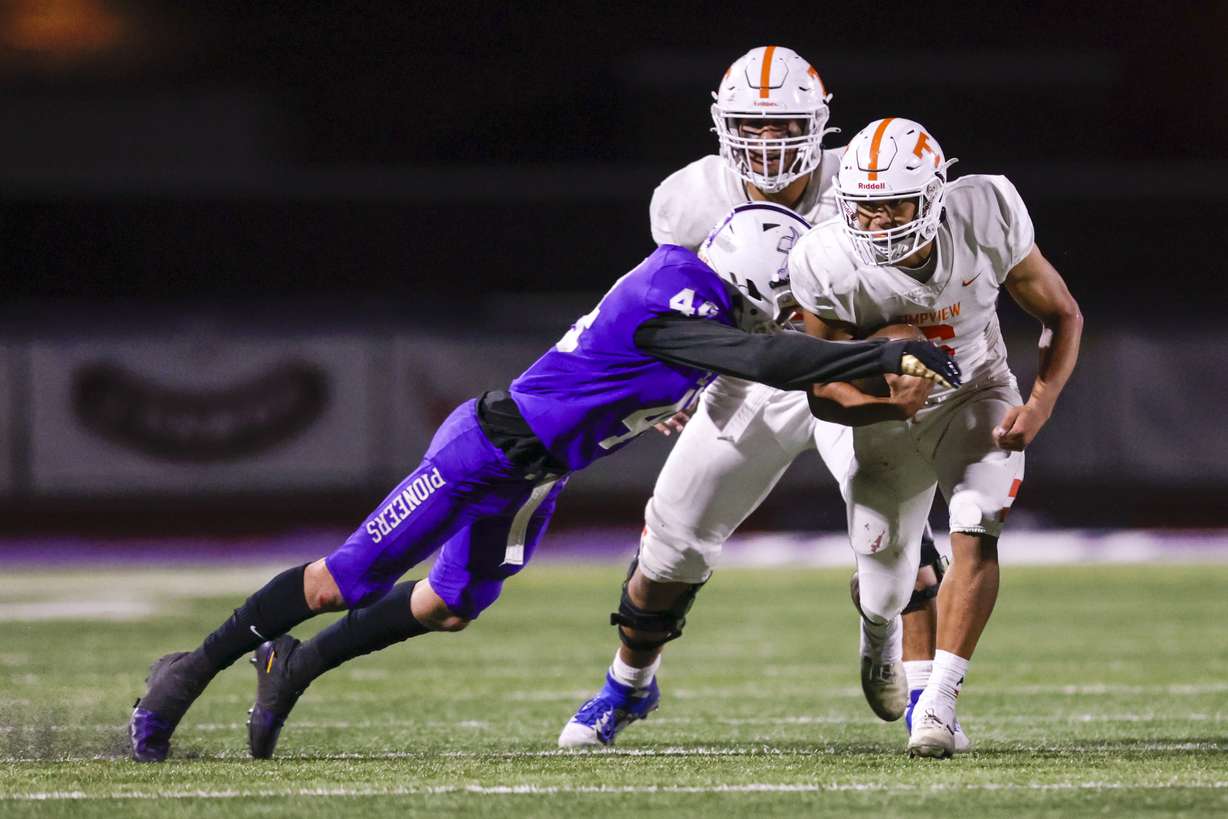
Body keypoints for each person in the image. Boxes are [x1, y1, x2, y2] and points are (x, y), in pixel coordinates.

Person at [127, 201, 960, 763]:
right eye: (782, 295)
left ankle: (295, 668)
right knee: (340, 579)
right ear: (752, 275)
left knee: (450, 604)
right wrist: (880, 354)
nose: (788, 310)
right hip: (481, 453)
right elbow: (767, 358)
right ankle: (187, 672)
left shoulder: (700, 292)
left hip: (537, 476)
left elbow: (739, 357)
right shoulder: (677, 293)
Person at [559, 45, 958, 751]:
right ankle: (627, 684)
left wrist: (902, 353)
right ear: (723, 124)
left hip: (846, 361)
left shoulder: (861, 177)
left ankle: (914, 679)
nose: (769, 144)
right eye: (753, 124)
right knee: (669, 548)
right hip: (746, 379)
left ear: (821, 124)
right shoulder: (686, 197)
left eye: (785, 127)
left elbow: (914, 279)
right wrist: (676, 377)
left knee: (899, 543)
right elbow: (667, 304)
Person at [791, 116, 1082, 757]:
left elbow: (1061, 312)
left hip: (976, 393)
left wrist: (1038, 404)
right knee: (886, 586)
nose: (876, 223)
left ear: (933, 192)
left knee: (978, 522)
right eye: (863, 208)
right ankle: (876, 627)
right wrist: (884, 400)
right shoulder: (822, 256)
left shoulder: (986, 210)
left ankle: (939, 703)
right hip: (876, 417)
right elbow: (818, 386)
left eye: (893, 202)